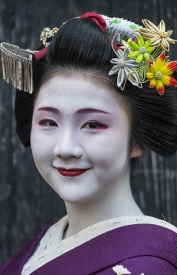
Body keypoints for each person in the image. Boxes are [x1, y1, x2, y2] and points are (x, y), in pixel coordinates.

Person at [0, 12, 177, 275]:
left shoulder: (148, 265)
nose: (65, 148)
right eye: (49, 122)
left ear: (138, 138)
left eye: (93, 125)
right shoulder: (46, 243)